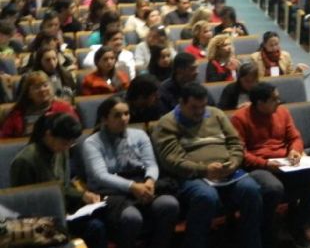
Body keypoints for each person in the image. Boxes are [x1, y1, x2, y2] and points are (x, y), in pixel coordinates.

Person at [151, 83, 264, 248]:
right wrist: (204, 170)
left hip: (227, 170)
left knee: (251, 190)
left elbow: (235, 143)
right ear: (181, 103)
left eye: (203, 107)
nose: (199, 112)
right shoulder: (167, 124)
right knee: (206, 197)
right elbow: (172, 160)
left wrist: (233, 163)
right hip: (192, 176)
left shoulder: (216, 114)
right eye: (194, 107)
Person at [230, 83, 310, 248]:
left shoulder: (282, 112)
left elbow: (294, 137)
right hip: (258, 166)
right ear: (260, 103)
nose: (279, 101)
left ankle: (297, 225)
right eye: (274, 99)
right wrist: (266, 164)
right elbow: (241, 153)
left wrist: (295, 151)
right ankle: (267, 230)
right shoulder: (240, 118)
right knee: (274, 188)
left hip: (284, 162)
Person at [82, 96, 180, 248]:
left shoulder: (139, 135)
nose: (124, 119)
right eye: (117, 115)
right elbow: (101, 176)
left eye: (126, 114)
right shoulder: (92, 142)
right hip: (112, 191)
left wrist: (150, 182)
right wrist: (132, 187)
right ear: (104, 119)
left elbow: (151, 164)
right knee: (131, 217)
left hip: (142, 183)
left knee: (169, 204)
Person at [10, 113, 107, 248]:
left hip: (63, 212)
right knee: (94, 227)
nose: (67, 147)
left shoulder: (61, 150)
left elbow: (63, 186)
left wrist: (83, 195)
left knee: (100, 222)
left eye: (70, 144)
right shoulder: (25, 161)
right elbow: (22, 205)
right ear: (49, 135)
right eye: (64, 143)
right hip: (37, 221)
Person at [1, 71, 79, 137]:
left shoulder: (64, 108)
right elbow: (5, 138)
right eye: (37, 87)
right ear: (29, 93)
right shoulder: (17, 113)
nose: (42, 90)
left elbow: (75, 130)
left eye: (45, 85)